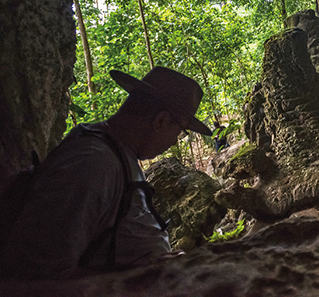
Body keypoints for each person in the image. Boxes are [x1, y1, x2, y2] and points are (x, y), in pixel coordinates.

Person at [0, 66, 212, 280]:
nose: (175, 140)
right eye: (180, 131)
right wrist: (139, 278)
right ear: (161, 121)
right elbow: (36, 273)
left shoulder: (118, 154)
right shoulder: (90, 164)